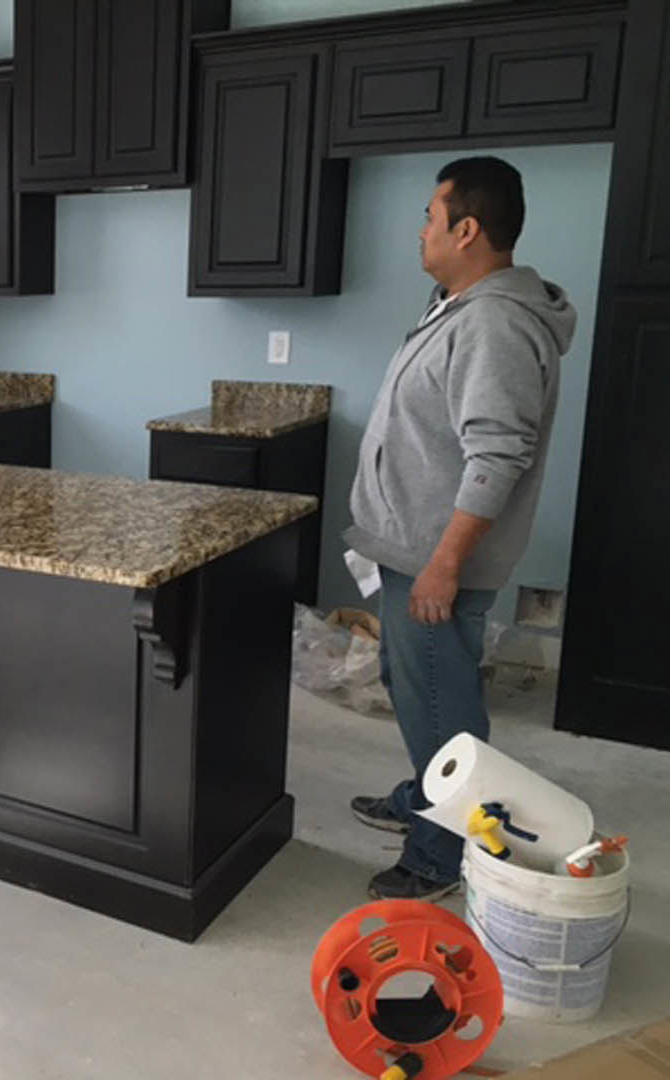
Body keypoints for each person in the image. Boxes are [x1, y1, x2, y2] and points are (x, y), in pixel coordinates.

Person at [344, 157, 576, 900]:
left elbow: (496, 455)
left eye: (429, 217)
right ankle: (427, 793)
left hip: (435, 555)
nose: (421, 232)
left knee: (442, 704)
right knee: (413, 686)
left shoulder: (497, 323)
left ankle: (444, 854)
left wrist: (445, 565)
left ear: (466, 229)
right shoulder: (460, 306)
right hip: (411, 546)